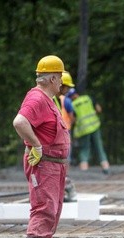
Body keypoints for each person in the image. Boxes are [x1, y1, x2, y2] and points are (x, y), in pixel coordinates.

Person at [12, 55, 69, 238]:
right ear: (53, 78)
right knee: (43, 208)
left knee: (52, 210)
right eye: (61, 78)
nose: (62, 83)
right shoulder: (36, 98)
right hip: (43, 164)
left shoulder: (48, 99)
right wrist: (36, 145)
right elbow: (19, 122)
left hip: (54, 166)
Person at [67, 88, 110, 174]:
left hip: (83, 130)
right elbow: (99, 109)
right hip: (94, 126)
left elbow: (73, 119)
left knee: (84, 149)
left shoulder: (72, 104)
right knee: (99, 147)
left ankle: (84, 171)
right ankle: (105, 167)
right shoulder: (88, 98)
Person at [54, 71, 77, 202]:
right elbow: (72, 118)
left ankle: (61, 190)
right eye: (67, 87)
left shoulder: (59, 99)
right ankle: (61, 189)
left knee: (62, 164)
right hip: (61, 135)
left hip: (63, 135)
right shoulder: (64, 100)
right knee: (61, 164)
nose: (68, 90)